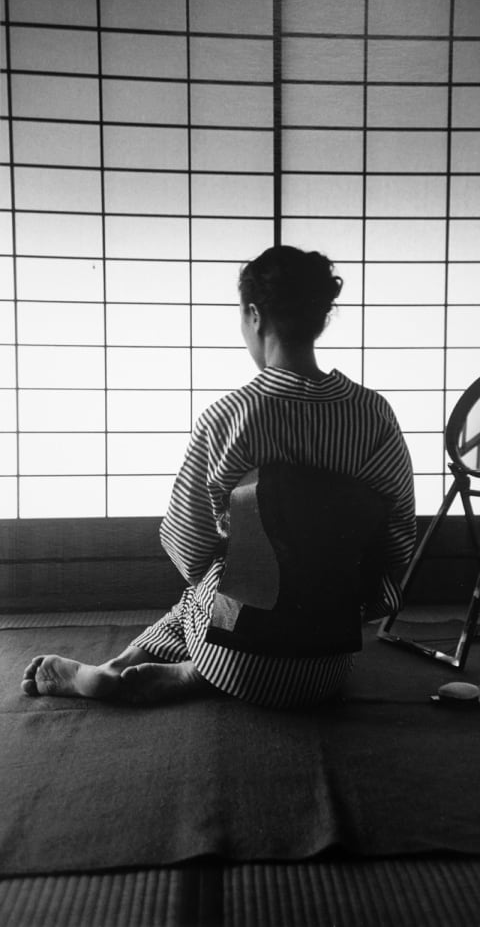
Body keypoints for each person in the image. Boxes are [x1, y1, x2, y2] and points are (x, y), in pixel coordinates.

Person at [22, 246, 416, 708]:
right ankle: (190, 673)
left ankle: (133, 669)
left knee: (205, 583)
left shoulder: (228, 417)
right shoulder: (375, 415)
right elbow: (397, 543)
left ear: (253, 315)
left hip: (235, 646)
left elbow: (187, 546)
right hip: (328, 662)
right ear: (321, 319)